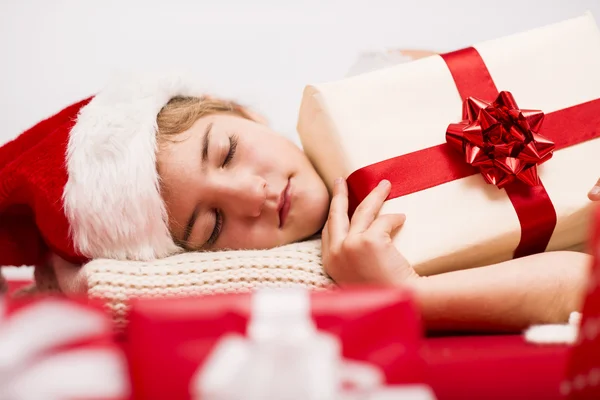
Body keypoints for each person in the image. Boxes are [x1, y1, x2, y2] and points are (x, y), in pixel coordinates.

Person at [0, 70, 598, 333]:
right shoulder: (343, 258)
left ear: (243, 112)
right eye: (210, 225)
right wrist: (408, 297)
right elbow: (583, 284)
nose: (251, 196)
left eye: (228, 151)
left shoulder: (383, 91)